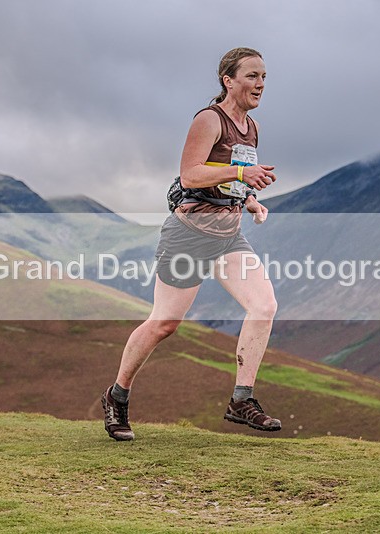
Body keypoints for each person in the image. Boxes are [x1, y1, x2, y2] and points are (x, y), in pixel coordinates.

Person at [101, 47, 280, 441]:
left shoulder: (252, 127)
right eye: (251, 76)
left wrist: (249, 199)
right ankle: (117, 396)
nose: (261, 84)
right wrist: (241, 171)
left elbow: (231, 181)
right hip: (189, 235)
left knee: (264, 305)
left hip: (228, 235)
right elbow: (190, 174)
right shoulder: (208, 119)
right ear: (227, 80)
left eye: (264, 76)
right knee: (165, 323)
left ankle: (241, 400)